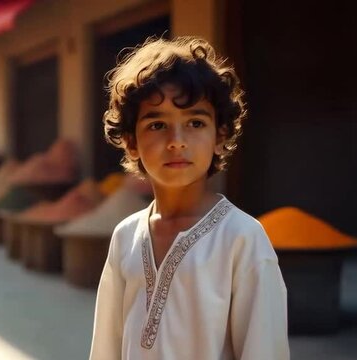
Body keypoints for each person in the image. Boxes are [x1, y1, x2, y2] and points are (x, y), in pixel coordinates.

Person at [89, 37, 289, 359]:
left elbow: (264, 350)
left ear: (220, 137)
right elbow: (106, 347)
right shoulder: (125, 236)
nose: (177, 141)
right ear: (131, 142)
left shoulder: (242, 238)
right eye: (157, 124)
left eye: (195, 123)